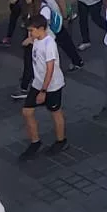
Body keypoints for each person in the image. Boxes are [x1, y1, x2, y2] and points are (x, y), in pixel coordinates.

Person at [19, 17, 67, 159]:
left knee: (55, 112)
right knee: (27, 111)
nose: (30, 33)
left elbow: (50, 69)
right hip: (38, 83)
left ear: (41, 29)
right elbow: (29, 41)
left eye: (31, 31)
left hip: (52, 85)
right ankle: (35, 142)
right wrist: (29, 40)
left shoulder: (49, 44)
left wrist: (43, 91)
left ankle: (61, 141)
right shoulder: (37, 39)